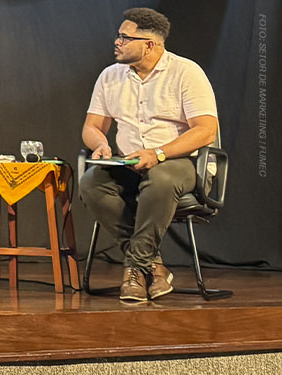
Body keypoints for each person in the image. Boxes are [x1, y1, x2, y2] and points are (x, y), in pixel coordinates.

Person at [79, 8, 219, 302]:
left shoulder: (186, 72)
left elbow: (206, 131)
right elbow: (92, 126)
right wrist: (101, 144)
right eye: (118, 36)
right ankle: (153, 266)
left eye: (124, 37)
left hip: (180, 163)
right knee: (92, 182)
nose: (116, 42)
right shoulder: (110, 76)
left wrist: (158, 153)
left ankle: (134, 267)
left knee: (161, 178)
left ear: (150, 44)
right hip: (130, 162)